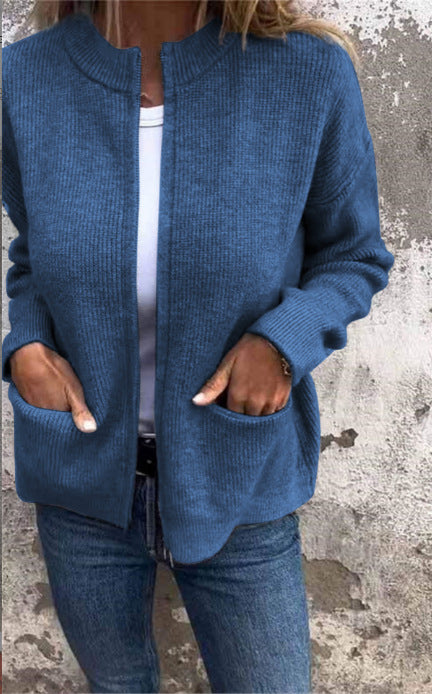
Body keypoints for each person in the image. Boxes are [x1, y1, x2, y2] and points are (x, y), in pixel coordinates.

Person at [2, 0, 394, 692]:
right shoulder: (26, 78)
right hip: (78, 480)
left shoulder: (306, 75)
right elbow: (33, 257)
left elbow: (353, 257)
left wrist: (283, 343)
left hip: (237, 474)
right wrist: (26, 347)